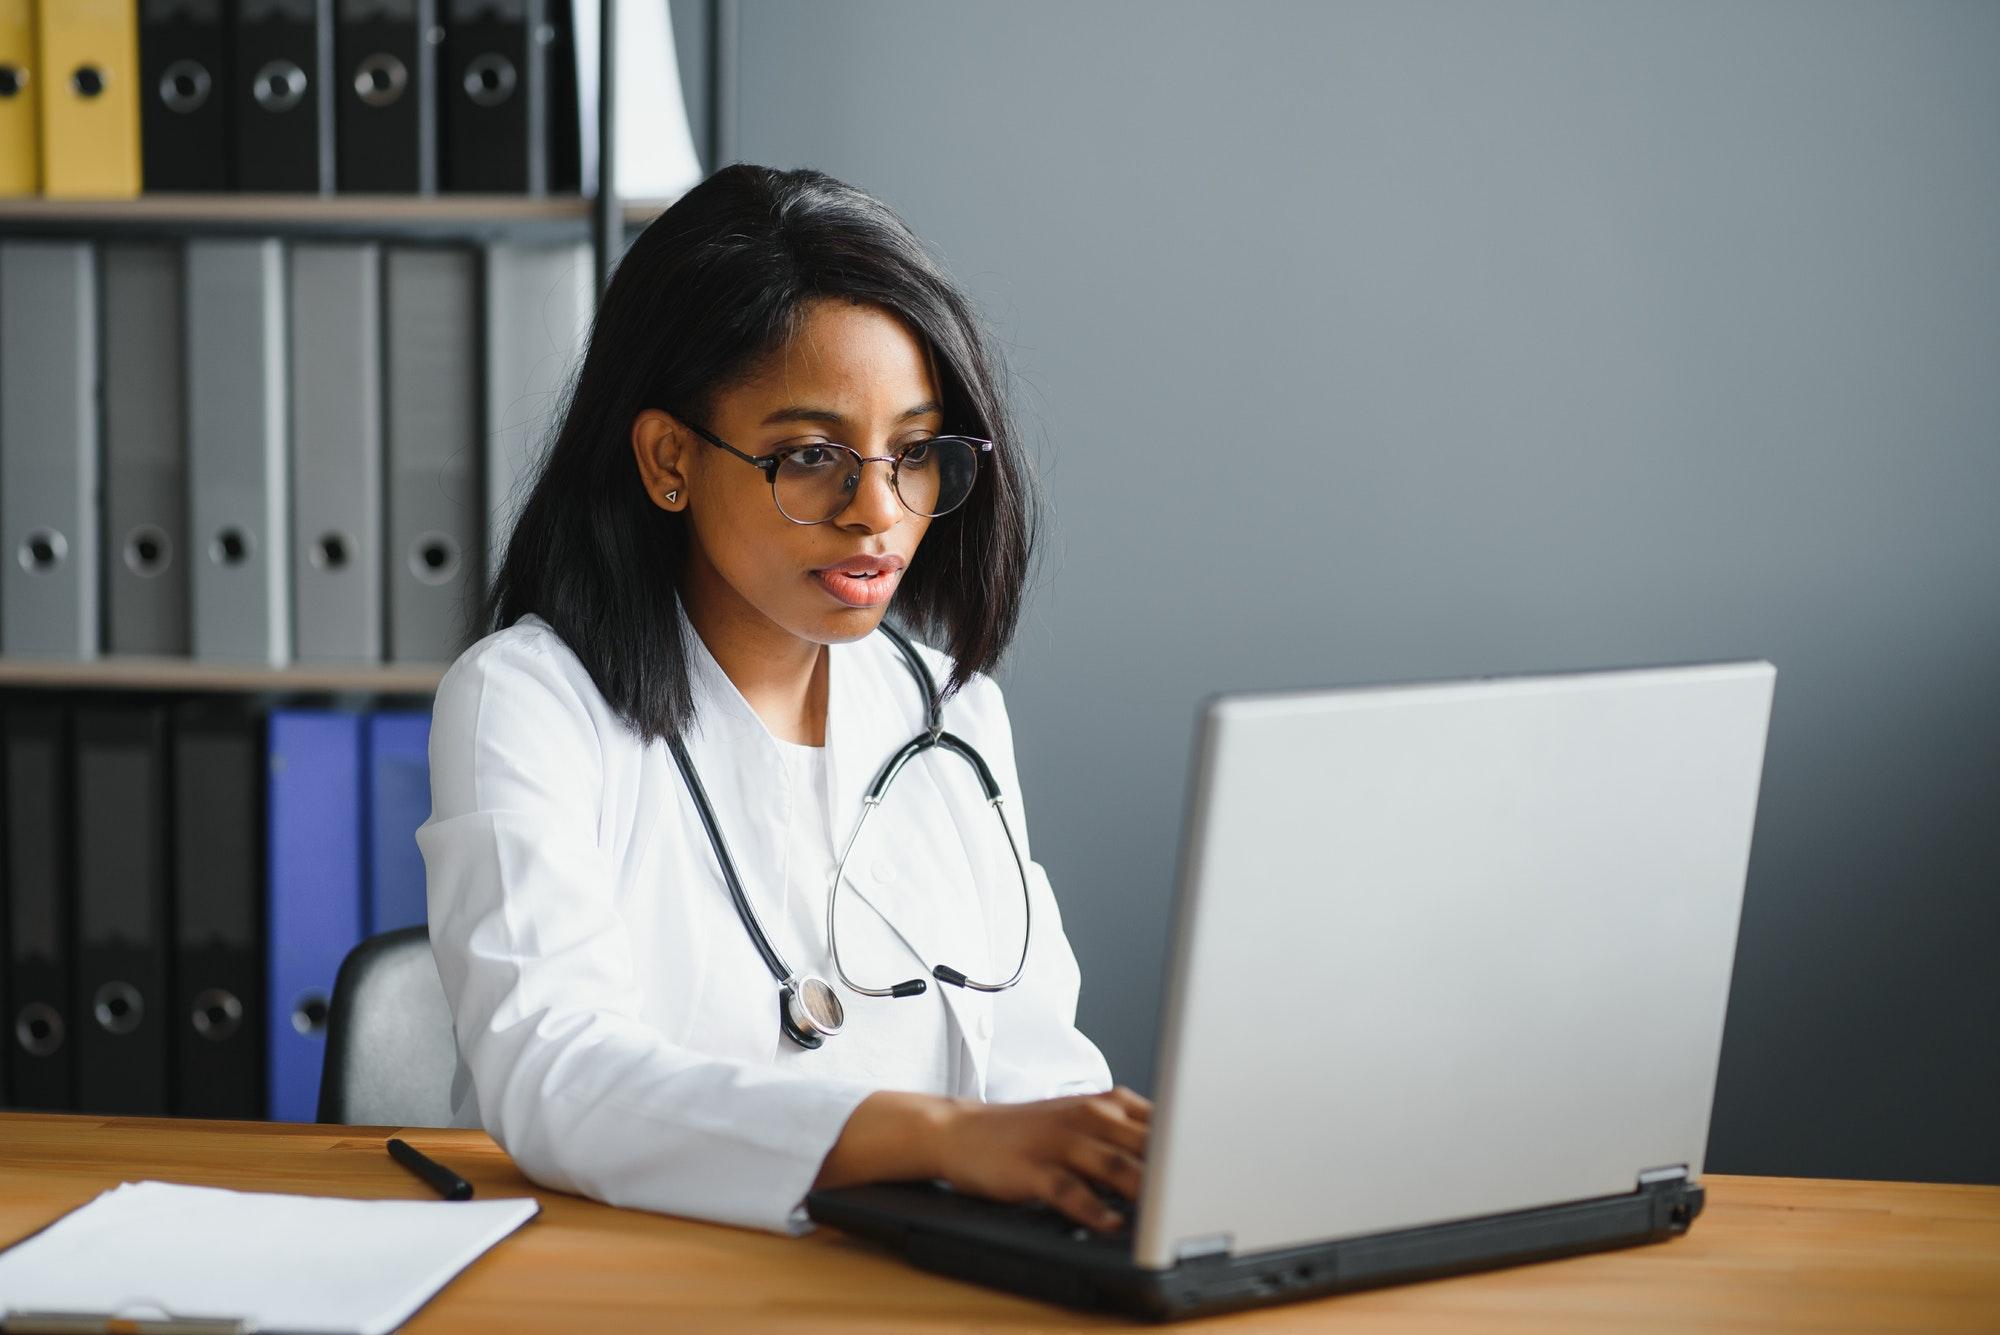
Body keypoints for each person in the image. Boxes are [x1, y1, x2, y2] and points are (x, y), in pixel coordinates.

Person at [417, 163, 1150, 1237]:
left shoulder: (950, 713)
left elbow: (1034, 1063)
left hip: (918, 1284)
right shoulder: (527, 704)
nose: (877, 513)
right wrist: (936, 1139)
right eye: (810, 456)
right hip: (632, 1284)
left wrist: (1110, 1168)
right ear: (669, 460)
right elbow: (556, 1075)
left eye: (913, 452)